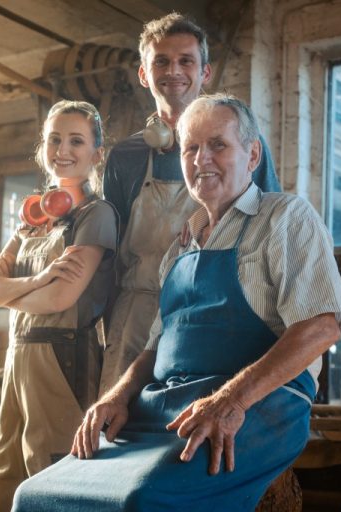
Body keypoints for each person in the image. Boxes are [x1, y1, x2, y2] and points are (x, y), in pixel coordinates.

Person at [12, 94, 341, 511]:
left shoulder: (285, 216)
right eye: (191, 147)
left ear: (253, 154)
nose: (201, 158)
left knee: (142, 500)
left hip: (258, 409)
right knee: (37, 495)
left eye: (218, 145)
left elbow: (321, 325)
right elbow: (157, 347)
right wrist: (116, 396)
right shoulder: (181, 245)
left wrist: (231, 400)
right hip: (168, 408)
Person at [98, 12, 282, 395]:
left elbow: (267, 222)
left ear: (206, 72)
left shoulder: (241, 144)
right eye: (161, 61)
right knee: (116, 425)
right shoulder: (126, 156)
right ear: (144, 74)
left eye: (186, 60)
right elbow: (109, 254)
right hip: (136, 310)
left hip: (207, 310)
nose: (174, 71)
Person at [0, 100, 118, 512]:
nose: (63, 150)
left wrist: (10, 294)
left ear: (97, 153)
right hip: (19, 357)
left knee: (50, 473)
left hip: (64, 356)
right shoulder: (32, 220)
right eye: (54, 139)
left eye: (76, 140)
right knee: (5, 473)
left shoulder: (96, 215)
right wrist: (36, 279)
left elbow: (61, 298)